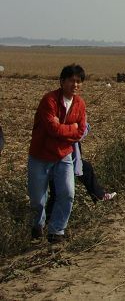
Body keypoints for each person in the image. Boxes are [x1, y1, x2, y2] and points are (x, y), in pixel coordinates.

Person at [27, 64, 87, 243]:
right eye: (71, 81)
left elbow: (81, 131)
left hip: (63, 155)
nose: (75, 85)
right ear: (62, 82)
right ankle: (38, 226)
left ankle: (56, 231)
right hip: (41, 155)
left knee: (68, 193)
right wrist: (71, 128)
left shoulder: (80, 104)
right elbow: (52, 129)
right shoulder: (49, 100)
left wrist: (66, 129)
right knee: (37, 199)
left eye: (78, 81)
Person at [47, 123, 116, 215]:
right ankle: (46, 221)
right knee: (57, 192)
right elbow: (77, 134)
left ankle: (99, 197)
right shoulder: (62, 117)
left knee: (86, 169)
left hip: (67, 157)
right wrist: (83, 127)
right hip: (61, 158)